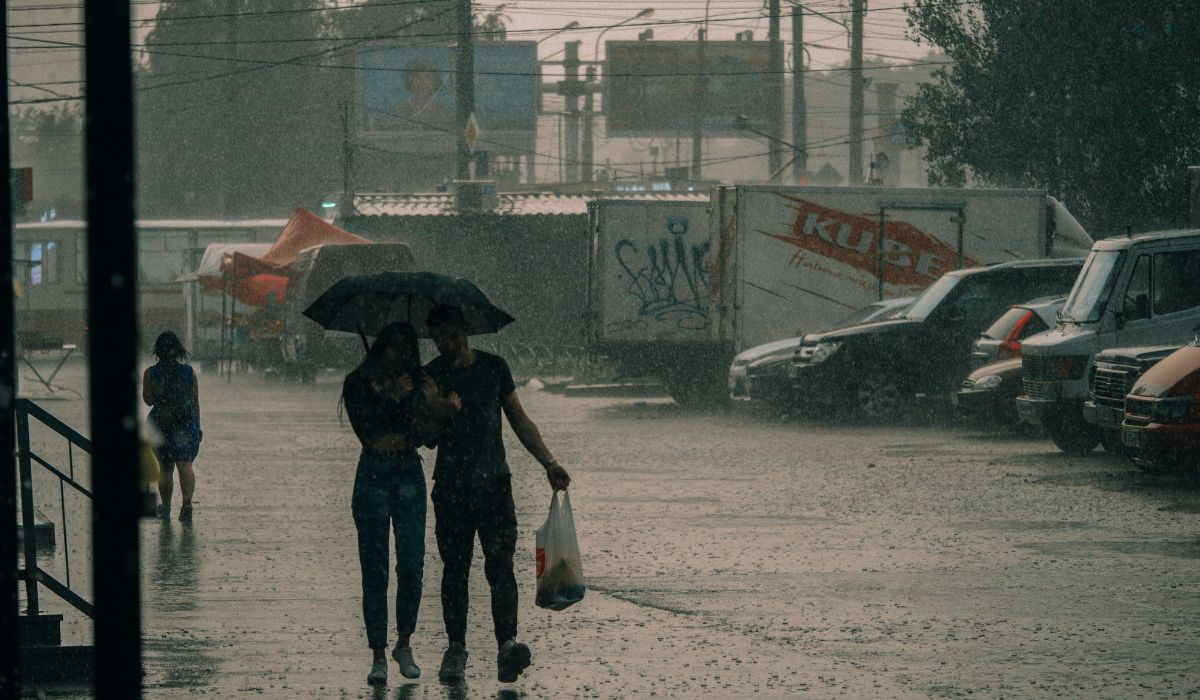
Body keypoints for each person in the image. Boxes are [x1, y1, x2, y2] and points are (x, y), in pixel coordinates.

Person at [421, 304, 572, 684]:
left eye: (451, 336)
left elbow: (519, 419)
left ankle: (507, 646)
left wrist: (548, 462)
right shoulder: (431, 376)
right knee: (455, 571)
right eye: (438, 339)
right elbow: (425, 438)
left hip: (494, 487)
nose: (446, 345)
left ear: (466, 329)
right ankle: (456, 648)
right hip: (452, 488)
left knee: (500, 568)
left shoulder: (493, 368)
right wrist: (441, 410)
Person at [341, 322, 460, 686]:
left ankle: (403, 643)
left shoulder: (417, 382)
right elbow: (366, 430)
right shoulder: (357, 382)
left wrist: (435, 407)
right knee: (374, 568)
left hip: (409, 471)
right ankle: (378, 653)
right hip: (373, 473)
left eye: (405, 348)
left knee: (411, 564)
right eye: (391, 346)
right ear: (379, 347)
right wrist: (388, 394)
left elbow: (427, 439)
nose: (398, 354)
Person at [143, 332, 203, 522]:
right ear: (178, 350)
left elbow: (148, 399)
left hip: (161, 424)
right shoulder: (189, 372)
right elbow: (195, 402)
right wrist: (197, 426)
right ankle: (187, 503)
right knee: (185, 464)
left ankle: (166, 506)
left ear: (158, 352)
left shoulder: (151, 373)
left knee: (165, 468)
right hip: (185, 423)